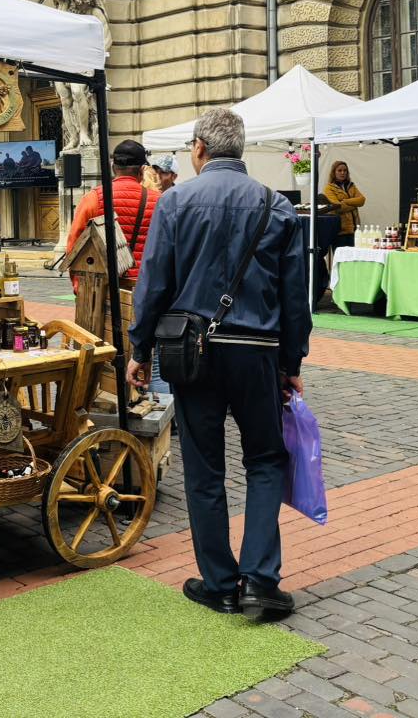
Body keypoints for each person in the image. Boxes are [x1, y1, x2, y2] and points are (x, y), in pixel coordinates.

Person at [128, 108, 311, 623]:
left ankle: (219, 581)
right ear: (241, 150)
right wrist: (292, 360)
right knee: (265, 460)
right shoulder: (275, 205)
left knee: (204, 467)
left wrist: (139, 351)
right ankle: (259, 579)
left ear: (199, 149)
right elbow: (295, 295)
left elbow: (153, 283)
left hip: (192, 351)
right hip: (257, 352)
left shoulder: (175, 201)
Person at [64, 139, 159, 284]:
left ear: (113, 167)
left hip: (102, 288)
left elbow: (74, 246)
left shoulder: (93, 198)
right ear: (141, 170)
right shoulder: (159, 201)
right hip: (144, 287)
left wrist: (79, 286)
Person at [321, 160, 365, 249]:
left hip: (354, 229)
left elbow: (362, 200)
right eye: (339, 170)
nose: (343, 173)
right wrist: (355, 203)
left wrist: (345, 201)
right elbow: (338, 207)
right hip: (339, 231)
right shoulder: (329, 188)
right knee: (341, 260)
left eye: (345, 170)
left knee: (353, 258)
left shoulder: (351, 185)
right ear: (334, 172)